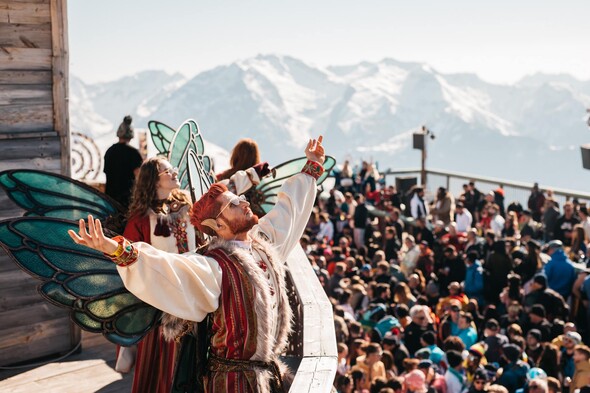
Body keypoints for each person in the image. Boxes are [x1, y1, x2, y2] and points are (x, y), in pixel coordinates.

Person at [69, 136, 326, 392]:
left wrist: (311, 167)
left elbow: (287, 212)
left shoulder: (264, 246)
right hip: (231, 385)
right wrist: (115, 248)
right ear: (219, 226)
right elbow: (167, 267)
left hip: (268, 378)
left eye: (240, 199)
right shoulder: (214, 266)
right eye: (235, 203)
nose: (245, 202)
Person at [103, 115, 143, 208]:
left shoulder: (110, 151)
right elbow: (139, 177)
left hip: (110, 200)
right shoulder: (134, 153)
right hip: (128, 200)